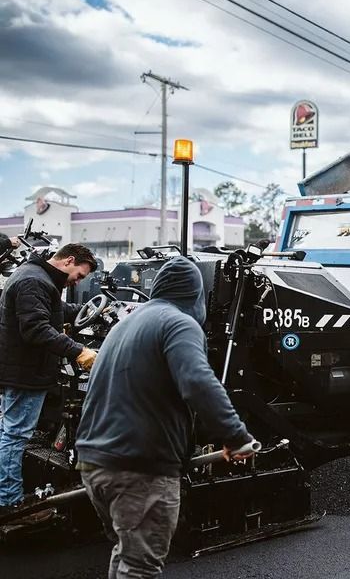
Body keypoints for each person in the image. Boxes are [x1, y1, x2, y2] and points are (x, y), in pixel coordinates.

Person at [76, 256, 253, 579]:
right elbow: (198, 382)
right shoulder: (178, 322)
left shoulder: (125, 324)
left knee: (126, 552)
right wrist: (236, 437)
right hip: (139, 467)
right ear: (195, 295)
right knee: (140, 567)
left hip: (95, 463)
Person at [0, 244, 98, 515]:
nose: (77, 281)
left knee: (9, 432)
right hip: (25, 373)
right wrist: (80, 351)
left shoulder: (35, 276)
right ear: (69, 261)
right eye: (79, 275)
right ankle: (9, 503)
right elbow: (36, 328)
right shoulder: (34, 280)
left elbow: (55, 310)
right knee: (15, 435)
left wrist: (85, 310)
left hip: (21, 370)